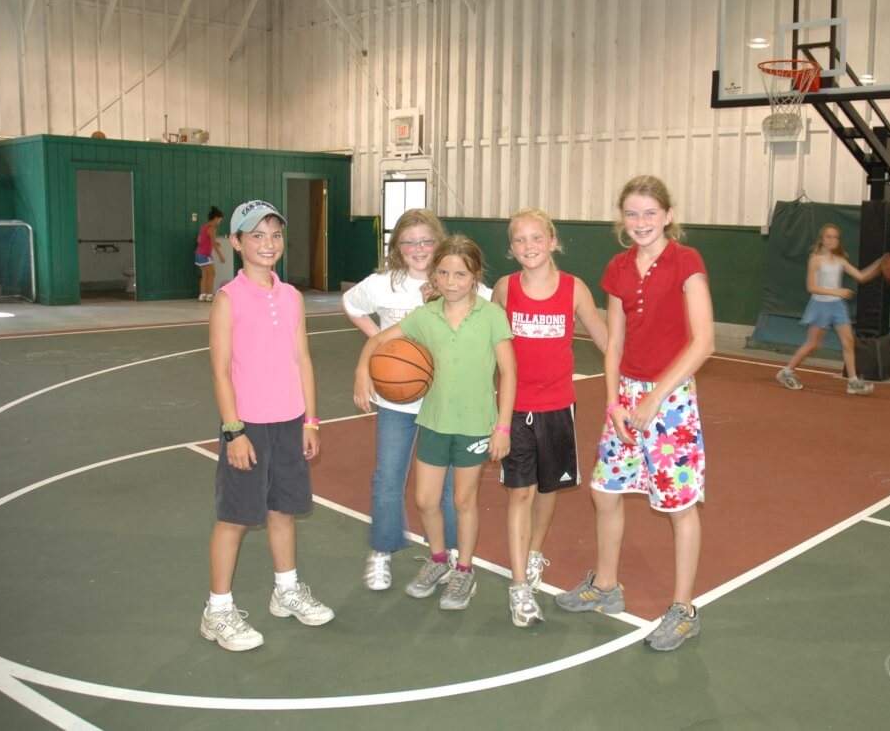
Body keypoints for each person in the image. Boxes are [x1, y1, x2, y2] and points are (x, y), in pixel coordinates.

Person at [554, 175, 714, 653]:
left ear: (667, 216)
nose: (641, 222)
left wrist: (654, 398)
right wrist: (615, 401)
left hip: (671, 399)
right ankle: (606, 588)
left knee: (679, 505)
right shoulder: (619, 267)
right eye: (632, 213)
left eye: (649, 213)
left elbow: (703, 341)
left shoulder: (687, 262)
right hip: (626, 396)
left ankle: (683, 609)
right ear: (621, 220)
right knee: (605, 491)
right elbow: (615, 341)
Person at [354, 235, 515, 612]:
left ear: (475, 275)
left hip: (476, 425)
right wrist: (363, 369)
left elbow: (509, 371)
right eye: (443, 272)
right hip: (434, 422)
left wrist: (502, 426)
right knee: (426, 500)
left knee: (463, 500)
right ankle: (438, 560)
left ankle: (464, 569)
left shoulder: (491, 314)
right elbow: (378, 340)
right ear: (435, 275)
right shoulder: (425, 316)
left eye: (460, 273)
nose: (451, 281)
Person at [200, 200, 334, 652]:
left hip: (290, 422)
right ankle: (217, 611)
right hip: (248, 426)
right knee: (235, 518)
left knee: (284, 509)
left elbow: (303, 360)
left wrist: (311, 420)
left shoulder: (292, 296)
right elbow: (220, 370)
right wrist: (234, 431)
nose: (268, 244)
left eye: (275, 235)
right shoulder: (228, 299)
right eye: (256, 236)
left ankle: (287, 590)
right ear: (236, 242)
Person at [492, 208, 607, 627]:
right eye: (519, 240)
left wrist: (639, 372)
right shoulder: (505, 289)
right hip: (516, 405)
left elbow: (605, 337)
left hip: (559, 406)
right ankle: (519, 585)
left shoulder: (575, 290)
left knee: (547, 489)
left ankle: (534, 551)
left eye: (536, 238)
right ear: (511, 249)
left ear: (553, 241)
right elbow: (492, 343)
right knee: (518, 492)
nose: (528, 247)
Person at [775, 224, 882, 395]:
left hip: (838, 306)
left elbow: (861, 276)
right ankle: (786, 372)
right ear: (822, 239)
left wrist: (881, 264)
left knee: (848, 342)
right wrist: (836, 291)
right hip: (820, 305)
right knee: (813, 344)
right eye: (828, 236)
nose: (831, 240)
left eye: (835, 237)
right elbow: (811, 287)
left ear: (838, 241)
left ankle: (853, 382)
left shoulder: (840, 260)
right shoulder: (815, 259)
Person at [195, 206, 226, 301]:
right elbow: (213, 243)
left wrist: (213, 242)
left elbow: (199, 240)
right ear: (216, 218)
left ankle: (202, 295)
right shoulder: (212, 229)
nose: (219, 222)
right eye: (220, 220)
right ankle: (209, 295)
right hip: (205, 255)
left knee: (205, 275)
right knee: (212, 274)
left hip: (198, 254)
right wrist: (220, 256)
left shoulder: (204, 227)